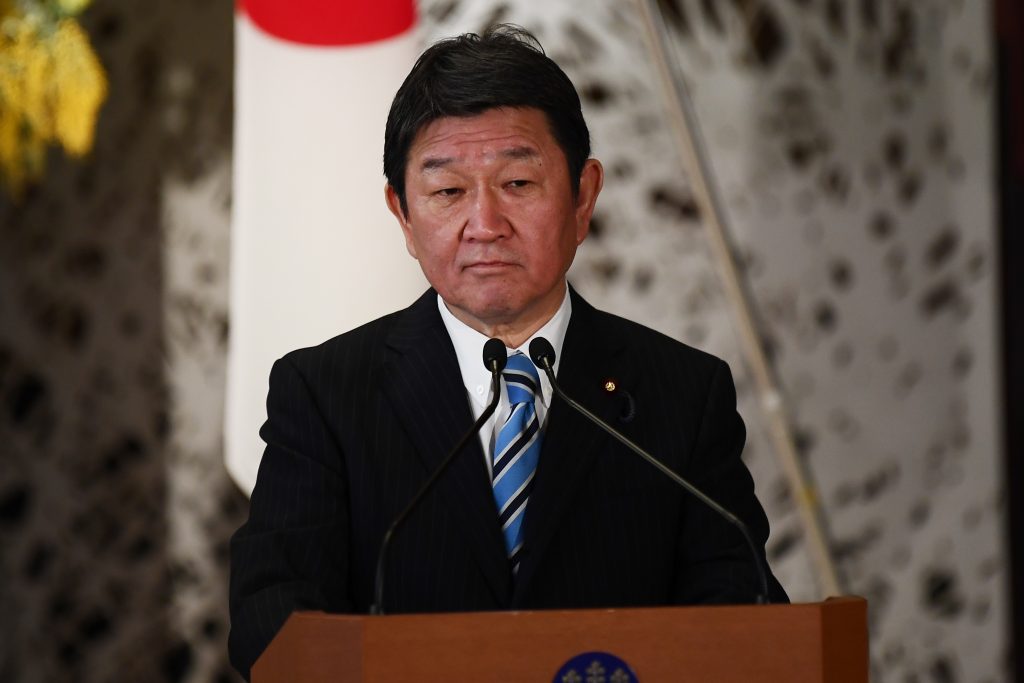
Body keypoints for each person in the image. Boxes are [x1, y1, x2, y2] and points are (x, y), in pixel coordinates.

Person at [228, 24, 788, 680]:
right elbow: (271, 617)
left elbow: (744, 612)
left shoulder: (682, 393)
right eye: (447, 192)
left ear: (583, 196)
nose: (485, 223)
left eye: (518, 183)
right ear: (402, 214)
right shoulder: (326, 393)